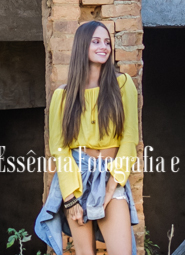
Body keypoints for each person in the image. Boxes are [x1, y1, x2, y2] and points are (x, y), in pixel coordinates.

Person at [35, 21, 140, 255]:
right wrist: (70, 198)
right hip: (77, 175)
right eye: (96, 41)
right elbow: (60, 149)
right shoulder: (62, 96)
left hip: (110, 173)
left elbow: (130, 137)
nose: (104, 46)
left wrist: (113, 185)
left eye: (107, 42)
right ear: (83, 45)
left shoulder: (123, 85)